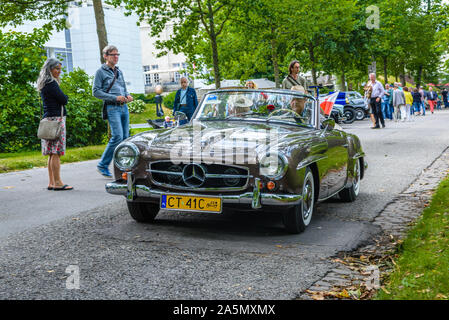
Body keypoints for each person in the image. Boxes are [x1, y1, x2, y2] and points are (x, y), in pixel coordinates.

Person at [93, 45, 133, 178]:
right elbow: (96, 92)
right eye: (113, 55)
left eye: (117, 54)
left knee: (126, 138)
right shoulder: (100, 72)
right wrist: (115, 98)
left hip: (123, 107)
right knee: (117, 137)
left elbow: (123, 87)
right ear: (105, 56)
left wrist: (128, 96)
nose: (116, 57)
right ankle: (103, 165)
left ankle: (124, 167)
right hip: (112, 107)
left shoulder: (119, 71)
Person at [36, 58, 73, 191]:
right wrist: (65, 96)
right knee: (56, 153)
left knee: (51, 153)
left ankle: (51, 182)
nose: (59, 72)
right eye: (56, 69)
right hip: (56, 120)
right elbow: (64, 99)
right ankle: (58, 182)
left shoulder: (44, 82)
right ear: (49, 69)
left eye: (60, 69)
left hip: (48, 121)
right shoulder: (51, 83)